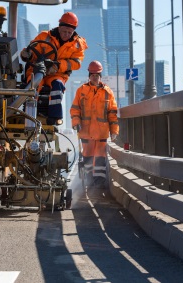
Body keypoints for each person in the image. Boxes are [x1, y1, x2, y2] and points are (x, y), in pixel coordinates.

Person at [20, 12, 88, 125]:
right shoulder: (44, 36)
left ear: (73, 31)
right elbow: (32, 51)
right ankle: (28, 115)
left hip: (58, 74)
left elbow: (76, 63)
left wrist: (57, 66)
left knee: (57, 86)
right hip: (37, 71)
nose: (66, 34)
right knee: (33, 86)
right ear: (59, 27)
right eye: (64, 31)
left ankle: (55, 117)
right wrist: (27, 55)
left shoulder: (78, 45)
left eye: (69, 32)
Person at [70, 60, 119, 189]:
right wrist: (76, 123)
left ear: (100, 76)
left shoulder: (108, 92)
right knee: (87, 157)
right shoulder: (81, 90)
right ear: (89, 75)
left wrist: (114, 131)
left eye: (96, 75)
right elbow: (75, 109)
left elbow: (112, 113)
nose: (94, 77)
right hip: (86, 132)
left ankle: (98, 186)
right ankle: (88, 183)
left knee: (100, 160)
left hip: (102, 133)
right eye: (92, 74)